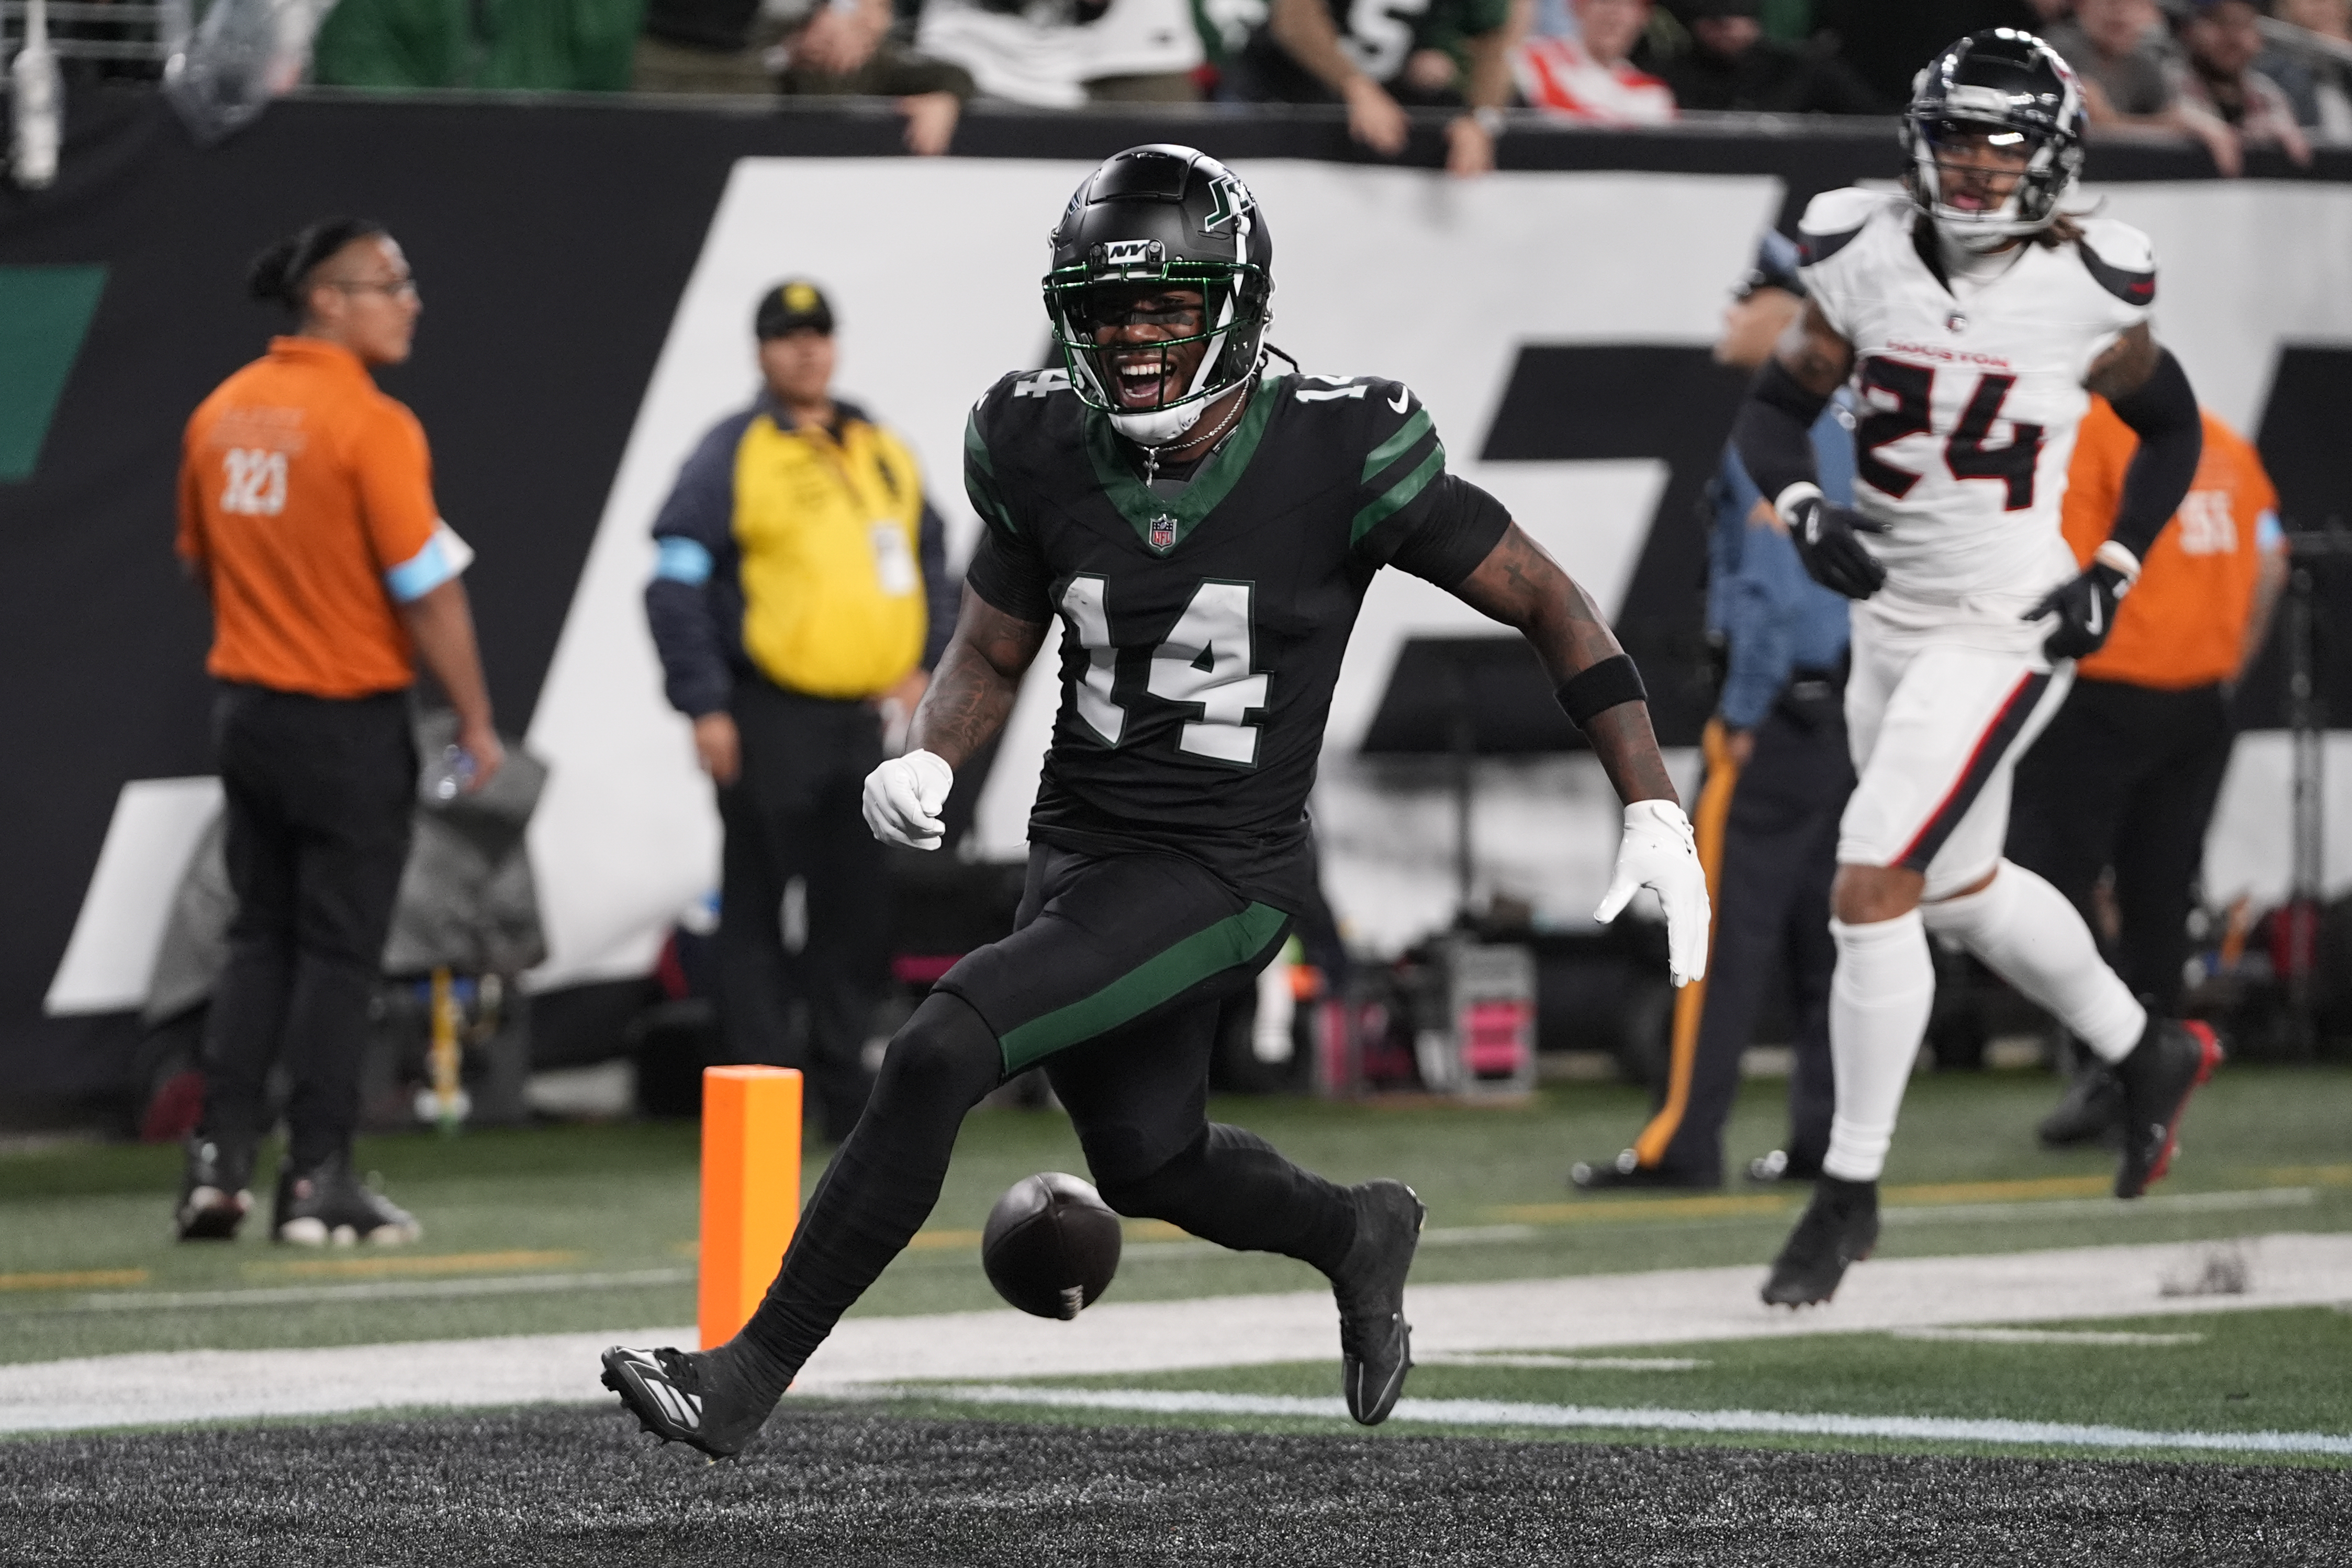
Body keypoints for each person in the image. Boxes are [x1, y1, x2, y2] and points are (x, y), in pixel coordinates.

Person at [601, 144, 1710, 1455]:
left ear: (1233, 305)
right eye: (1108, 308)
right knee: (1147, 1160)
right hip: (1077, 845)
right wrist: (934, 753)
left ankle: (741, 1381)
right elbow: (995, 641)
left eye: (1164, 307)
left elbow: (1547, 597)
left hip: (1223, 867)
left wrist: (1651, 804)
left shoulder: (1340, 447)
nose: (1131, 337)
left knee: (939, 1050)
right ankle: (1360, 1230)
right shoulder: (1033, 440)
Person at [1729, 30, 2223, 1308]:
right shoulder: (1860, 250)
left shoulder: (2090, 287)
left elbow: (2170, 431)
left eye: (2002, 145)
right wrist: (1805, 506)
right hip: (1890, 623)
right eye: (1956, 139)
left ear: (2051, 157)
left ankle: (1848, 1192)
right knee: (1956, 889)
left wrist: (2111, 566)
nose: (1975, 167)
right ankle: (2144, 1048)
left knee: (1871, 883)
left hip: (2002, 623)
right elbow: (1772, 410)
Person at [174, 218, 502, 1245]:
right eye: (389, 283)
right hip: (346, 721)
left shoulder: (220, 412)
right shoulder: (371, 424)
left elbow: (199, 561)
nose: (411, 301)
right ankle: (317, 1179)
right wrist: (477, 721)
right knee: (338, 952)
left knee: (256, 938)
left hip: (248, 714)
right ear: (326, 297)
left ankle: (216, 1167)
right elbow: (428, 593)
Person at [1574, 231, 1853, 1192]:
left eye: (1750, 295)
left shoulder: (1771, 432)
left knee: (1713, 937)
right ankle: (1826, 1139)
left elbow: (1776, 592)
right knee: (1826, 944)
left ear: (1793, 313)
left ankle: (1684, 1139)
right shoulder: (1852, 428)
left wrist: (1739, 710)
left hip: (1773, 720)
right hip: (1847, 715)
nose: (1730, 312)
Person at [644, 280, 955, 1145]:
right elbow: (672, 584)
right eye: (786, 337)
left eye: (817, 334)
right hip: (766, 711)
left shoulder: (877, 445)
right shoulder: (731, 452)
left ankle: (842, 1093)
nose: (805, 351)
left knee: (854, 909)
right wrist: (704, 704)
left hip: (860, 721)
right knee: (754, 907)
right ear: (760, 353)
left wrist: (922, 658)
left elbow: (932, 552)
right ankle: (757, 1098)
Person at [2012, 401, 2288, 1145]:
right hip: (2199, 700)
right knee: (2159, 896)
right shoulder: (2222, 442)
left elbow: (2060, 572)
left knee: (2046, 878)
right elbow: (2271, 557)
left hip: (2106, 691)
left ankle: (2117, 1058)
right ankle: (2145, 1082)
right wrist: (2229, 665)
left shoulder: (2092, 435)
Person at [1243, 0, 1521, 175]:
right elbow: (1295, 19)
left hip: (1392, 95)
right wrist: (1356, 86)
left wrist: (1481, 120)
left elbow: (1493, 39)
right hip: (1288, 89)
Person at [2043, 0, 2251, 174]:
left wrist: (2200, 124)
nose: (2120, 11)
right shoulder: (2059, 51)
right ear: (2082, 6)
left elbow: (2172, 112)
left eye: (2133, 3)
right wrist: (2187, 126)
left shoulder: (2144, 63)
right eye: (2109, 1)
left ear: (2151, 13)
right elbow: (2100, 124)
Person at [1649, 0, 1884, 115]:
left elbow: (1873, 124)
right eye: (1712, 22)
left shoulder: (1798, 70)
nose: (1725, 30)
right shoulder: (1665, 76)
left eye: (1734, 20)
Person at [2172, 0, 2315, 164]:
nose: (2233, 37)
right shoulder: (2166, 85)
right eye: (2220, 22)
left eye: (2244, 24)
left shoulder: (2266, 94)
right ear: (2188, 31)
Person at [1517, 0, 1677, 123]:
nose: (1614, 12)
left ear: (1644, 17)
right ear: (1577, 6)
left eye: (1627, 3)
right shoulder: (1532, 61)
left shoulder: (1653, 95)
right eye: (1603, 0)